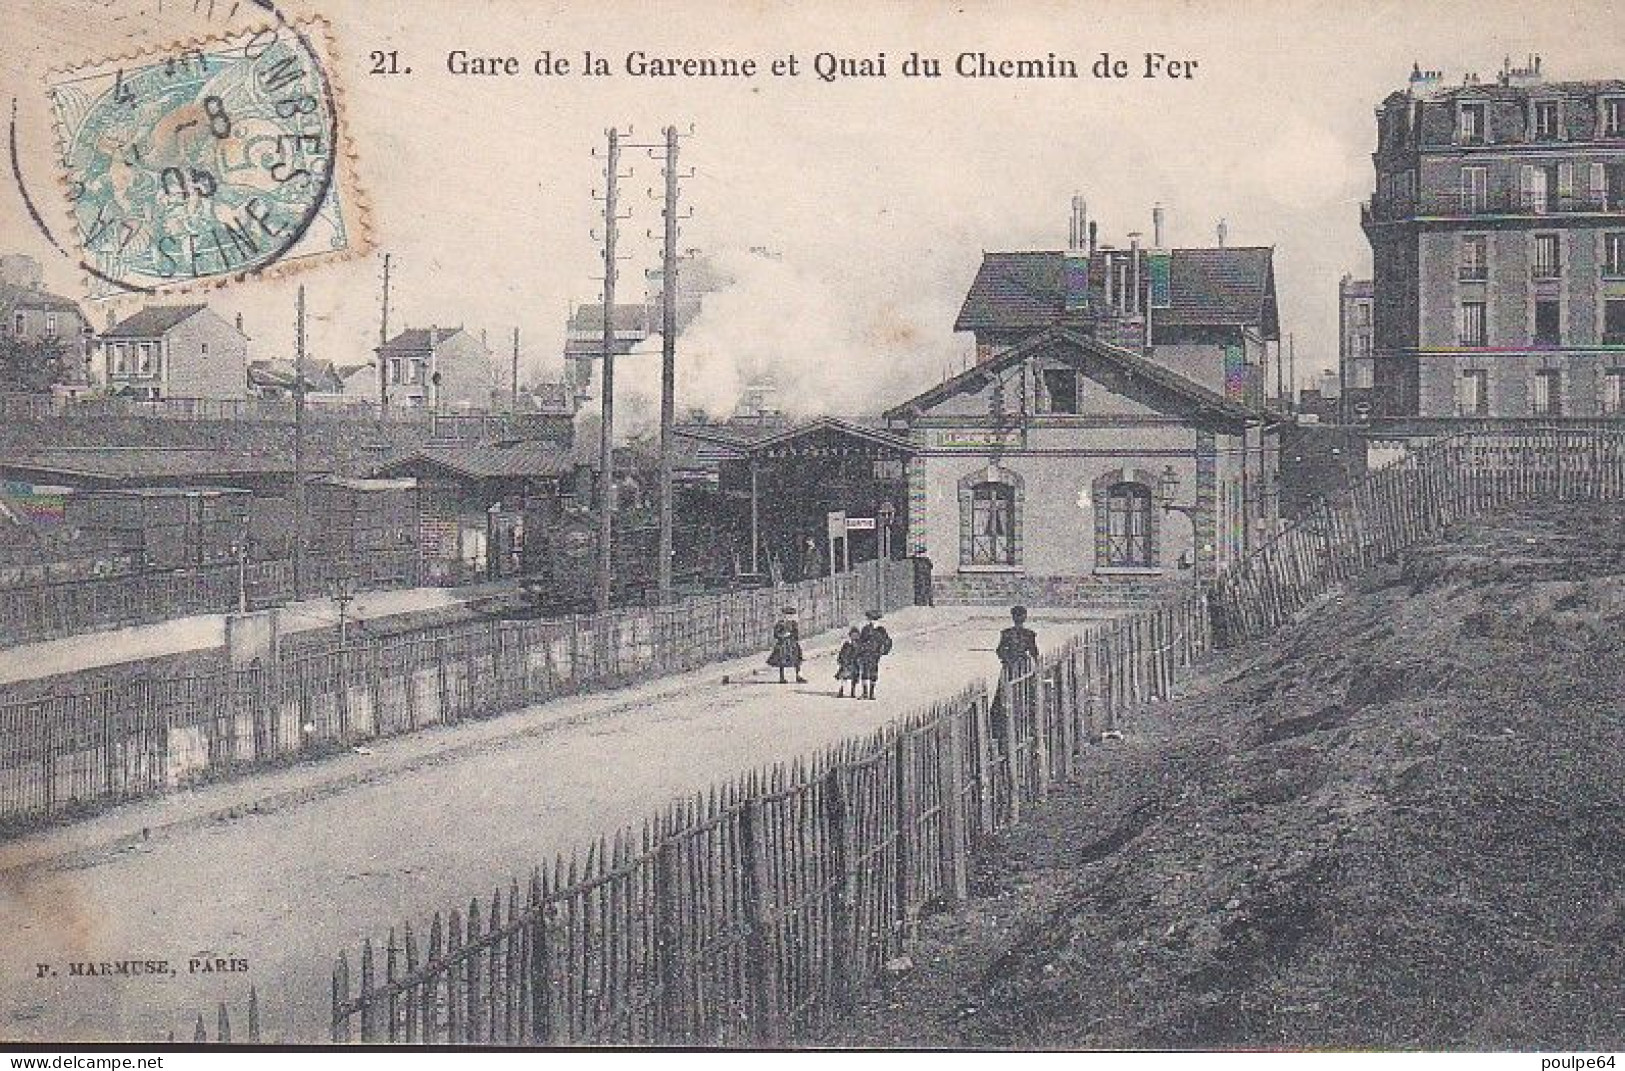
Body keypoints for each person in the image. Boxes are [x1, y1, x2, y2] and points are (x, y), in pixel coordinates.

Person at [855, 609, 892, 700]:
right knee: (864, 672)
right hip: (865, 654)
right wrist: (859, 652)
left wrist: (883, 651)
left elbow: (888, 641)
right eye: (870, 619)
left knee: (873, 672)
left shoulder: (881, 630)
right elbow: (861, 641)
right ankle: (865, 693)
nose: (871, 621)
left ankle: (871, 693)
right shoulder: (865, 629)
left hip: (875, 654)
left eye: (874, 619)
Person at [995, 604, 1040, 676]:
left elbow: (1000, 651)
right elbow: (1034, 652)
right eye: (1018, 615)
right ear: (1025, 617)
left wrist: (1007, 660)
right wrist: (1008, 660)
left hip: (1018, 664)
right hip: (1016, 664)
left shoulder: (1008, 633)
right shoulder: (1028, 634)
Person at [767, 606, 805, 683]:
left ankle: (798, 676)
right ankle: (782, 677)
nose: (789, 617)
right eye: (787, 615)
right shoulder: (780, 624)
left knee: (797, 660)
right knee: (782, 660)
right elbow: (776, 634)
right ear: (784, 615)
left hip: (792, 644)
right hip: (783, 644)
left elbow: (796, 634)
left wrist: (794, 635)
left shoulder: (793, 623)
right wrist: (783, 636)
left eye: (791, 615)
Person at [834, 626, 862, 698]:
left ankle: (853, 692)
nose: (854, 636)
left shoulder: (859, 644)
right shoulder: (847, 644)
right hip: (846, 663)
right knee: (844, 678)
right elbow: (842, 652)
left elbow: (860, 653)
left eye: (856, 635)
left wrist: (860, 660)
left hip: (855, 664)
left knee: (854, 678)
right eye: (853, 635)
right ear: (850, 635)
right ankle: (841, 691)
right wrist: (840, 660)